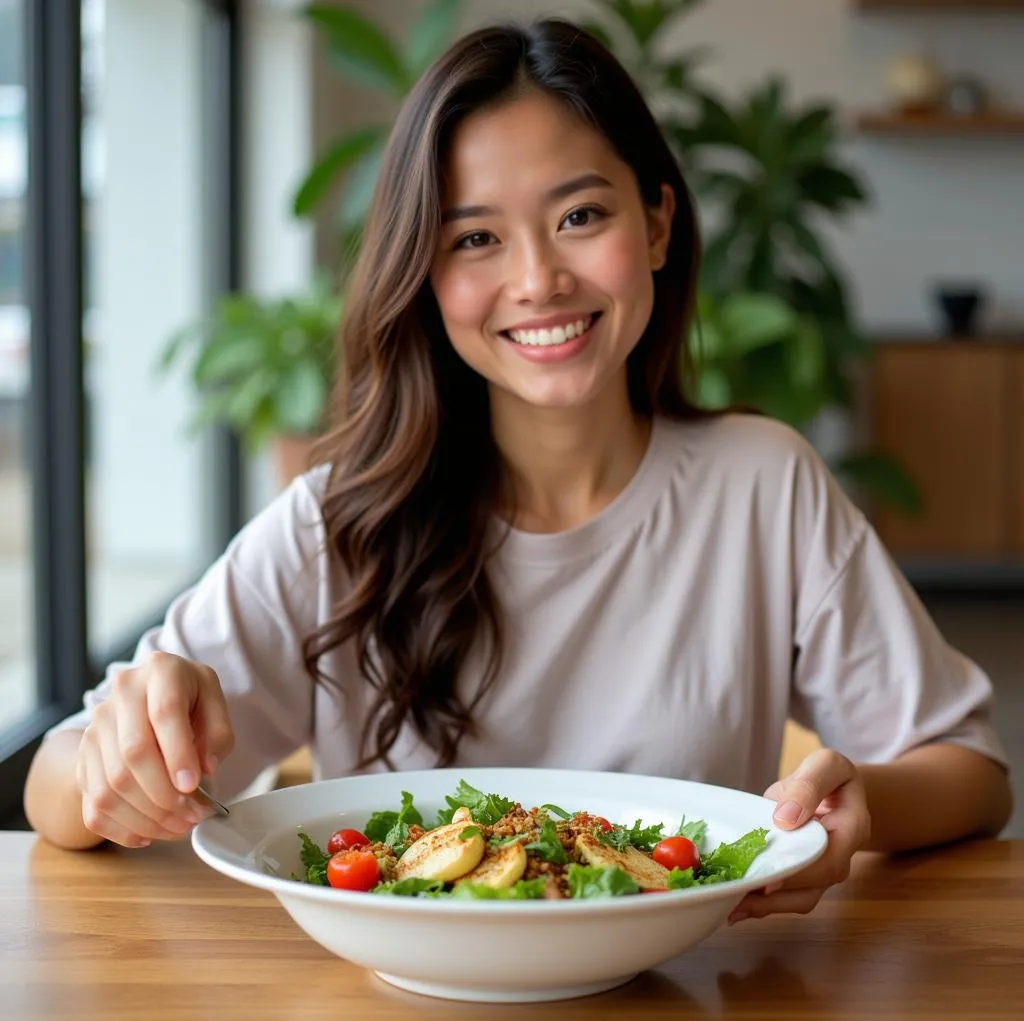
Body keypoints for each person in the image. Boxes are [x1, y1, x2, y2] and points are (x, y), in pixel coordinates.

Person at [24, 18, 1011, 925]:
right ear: (424, 270)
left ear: (658, 223)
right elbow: (54, 787)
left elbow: (971, 769)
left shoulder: (763, 485)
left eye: (580, 216)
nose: (537, 279)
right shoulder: (341, 521)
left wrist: (855, 808)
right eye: (476, 238)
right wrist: (120, 750)